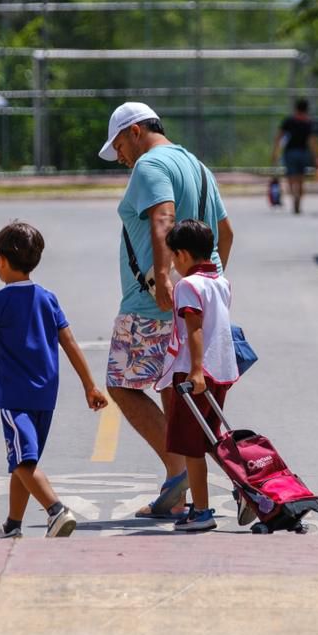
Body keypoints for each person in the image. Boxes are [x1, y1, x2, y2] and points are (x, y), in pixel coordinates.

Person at [96, 102, 235, 518]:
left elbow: (163, 217)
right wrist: (210, 285)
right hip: (199, 301)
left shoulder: (150, 165)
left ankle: (178, 475)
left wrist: (162, 280)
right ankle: (195, 491)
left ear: (136, 131)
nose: (121, 157)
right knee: (180, 395)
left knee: (121, 384)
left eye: (120, 146)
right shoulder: (198, 167)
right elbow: (225, 233)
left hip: (151, 304)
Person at [0, 222, 109, 538]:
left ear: (1, 261)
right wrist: (90, 385)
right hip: (46, 395)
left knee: (21, 461)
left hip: (15, 396)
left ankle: (56, 511)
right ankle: (12, 525)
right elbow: (70, 343)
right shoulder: (48, 298)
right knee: (24, 461)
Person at [154, 219, 240, 532]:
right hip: (221, 371)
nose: (173, 264)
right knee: (211, 440)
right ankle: (243, 489)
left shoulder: (187, 286)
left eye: (174, 257)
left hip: (194, 376)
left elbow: (195, 328)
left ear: (184, 254)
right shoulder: (221, 282)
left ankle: (202, 511)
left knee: (191, 447)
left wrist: (196, 370)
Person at [271, 98, 318, 215]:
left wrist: (275, 152)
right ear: (307, 109)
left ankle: (294, 195)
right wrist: (316, 157)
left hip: (290, 152)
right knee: (301, 178)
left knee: (291, 177)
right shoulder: (308, 123)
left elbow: (279, 136)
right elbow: (312, 141)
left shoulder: (289, 121)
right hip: (303, 152)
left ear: (296, 108)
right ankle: (299, 197)